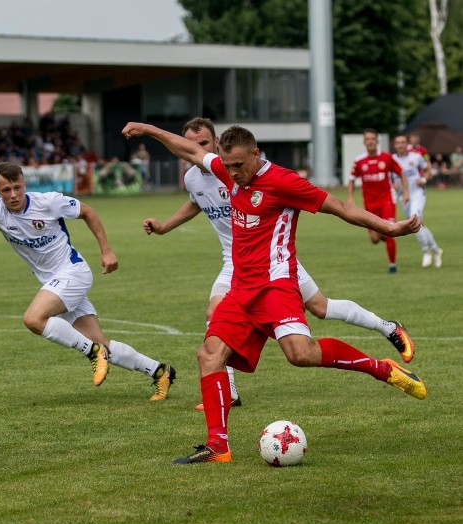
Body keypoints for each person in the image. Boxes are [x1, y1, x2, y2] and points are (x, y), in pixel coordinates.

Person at [122, 121, 425, 465]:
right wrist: (148, 130)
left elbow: (339, 206)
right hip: (240, 287)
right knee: (209, 354)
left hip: (276, 285)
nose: (233, 174)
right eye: (228, 166)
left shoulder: (283, 181)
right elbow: (191, 151)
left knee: (301, 354)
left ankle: (381, 368)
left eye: (239, 165)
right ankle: (217, 446)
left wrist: (390, 227)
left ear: (255, 154)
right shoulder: (224, 169)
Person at [0, 162, 176, 400]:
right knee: (100, 341)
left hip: (73, 272)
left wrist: (106, 250)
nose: (13, 194)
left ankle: (92, 353)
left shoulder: (48, 202)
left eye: (17, 187)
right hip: (55, 282)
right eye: (6, 190)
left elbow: (88, 212)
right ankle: (160, 372)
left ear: (25, 184)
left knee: (34, 319)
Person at [347, 128, 408, 274]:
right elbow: (351, 179)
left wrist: (406, 192)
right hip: (369, 204)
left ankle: (392, 265)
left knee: (389, 230)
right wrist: (350, 197)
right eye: (367, 139)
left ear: (377, 141)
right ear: (364, 142)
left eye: (373, 139)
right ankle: (387, 237)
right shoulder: (359, 161)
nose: (370, 141)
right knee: (375, 239)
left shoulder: (386, 157)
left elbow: (401, 173)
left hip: (387, 200)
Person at [392, 133, 443, 268]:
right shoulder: (391, 159)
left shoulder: (416, 157)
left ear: (407, 144)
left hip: (417, 193)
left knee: (415, 219)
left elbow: (428, 170)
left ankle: (426, 252)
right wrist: (393, 184)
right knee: (418, 225)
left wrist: (424, 179)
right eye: (398, 143)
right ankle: (436, 250)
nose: (400, 145)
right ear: (395, 145)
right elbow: (389, 177)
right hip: (403, 197)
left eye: (403, 142)